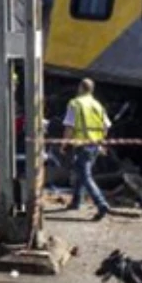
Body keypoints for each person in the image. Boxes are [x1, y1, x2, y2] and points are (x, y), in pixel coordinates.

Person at [62, 78, 111, 222]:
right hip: (95, 145)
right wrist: (100, 142)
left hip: (82, 145)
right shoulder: (98, 105)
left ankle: (101, 203)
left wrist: (63, 144)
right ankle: (76, 202)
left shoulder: (75, 103)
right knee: (81, 172)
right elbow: (106, 126)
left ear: (80, 88)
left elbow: (69, 127)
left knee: (85, 175)